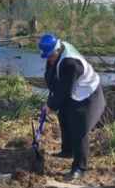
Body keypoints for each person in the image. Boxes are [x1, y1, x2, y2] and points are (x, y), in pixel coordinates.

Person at [39, 33, 106, 182]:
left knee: (79, 127)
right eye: (46, 56)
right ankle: (67, 151)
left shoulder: (70, 64)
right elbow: (55, 78)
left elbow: (64, 91)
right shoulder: (56, 52)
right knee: (63, 114)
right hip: (76, 89)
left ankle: (79, 168)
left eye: (50, 56)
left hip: (89, 93)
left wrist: (49, 106)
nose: (49, 59)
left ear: (57, 49)